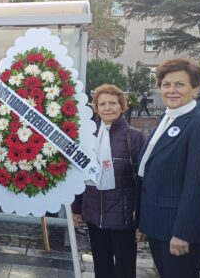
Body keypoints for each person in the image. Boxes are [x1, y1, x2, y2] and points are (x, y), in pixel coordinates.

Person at [137, 58, 200, 278]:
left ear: (195, 88)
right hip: (158, 227)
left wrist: (182, 232)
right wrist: (144, 222)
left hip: (178, 233)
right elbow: (149, 173)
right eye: (166, 84)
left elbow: (197, 184)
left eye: (179, 84)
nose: (171, 90)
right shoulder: (166, 119)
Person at [72, 84, 145, 278]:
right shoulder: (88, 137)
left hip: (124, 218)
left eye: (112, 103)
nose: (107, 108)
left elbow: (143, 181)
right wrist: (76, 209)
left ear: (122, 106)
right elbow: (80, 174)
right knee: (102, 268)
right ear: (95, 108)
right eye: (102, 103)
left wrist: (142, 219)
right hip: (95, 215)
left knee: (124, 269)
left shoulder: (134, 137)